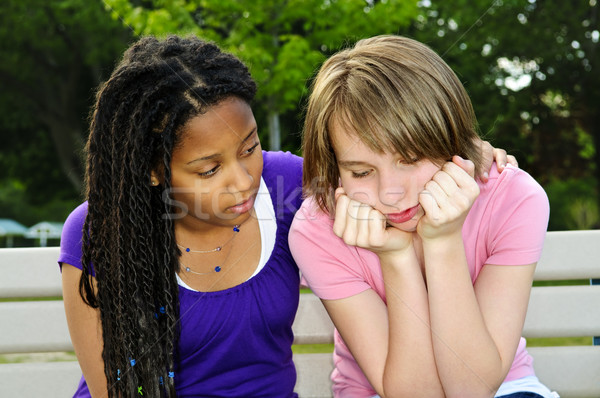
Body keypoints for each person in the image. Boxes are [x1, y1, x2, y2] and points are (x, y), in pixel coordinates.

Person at [59, 34, 517, 398]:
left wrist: (457, 149)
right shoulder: (99, 233)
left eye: (250, 147)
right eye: (210, 169)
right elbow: (115, 389)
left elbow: (369, 163)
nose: (243, 180)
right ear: (154, 170)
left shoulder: (291, 187)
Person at [289, 35, 556, 398]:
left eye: (411, 159)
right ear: (335, 170)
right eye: (361, 172)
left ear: (450, 139)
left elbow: (472, 389)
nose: (391, 193)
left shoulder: (512, 198)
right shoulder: (319, 229)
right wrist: (395, 256)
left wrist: (443, 241)